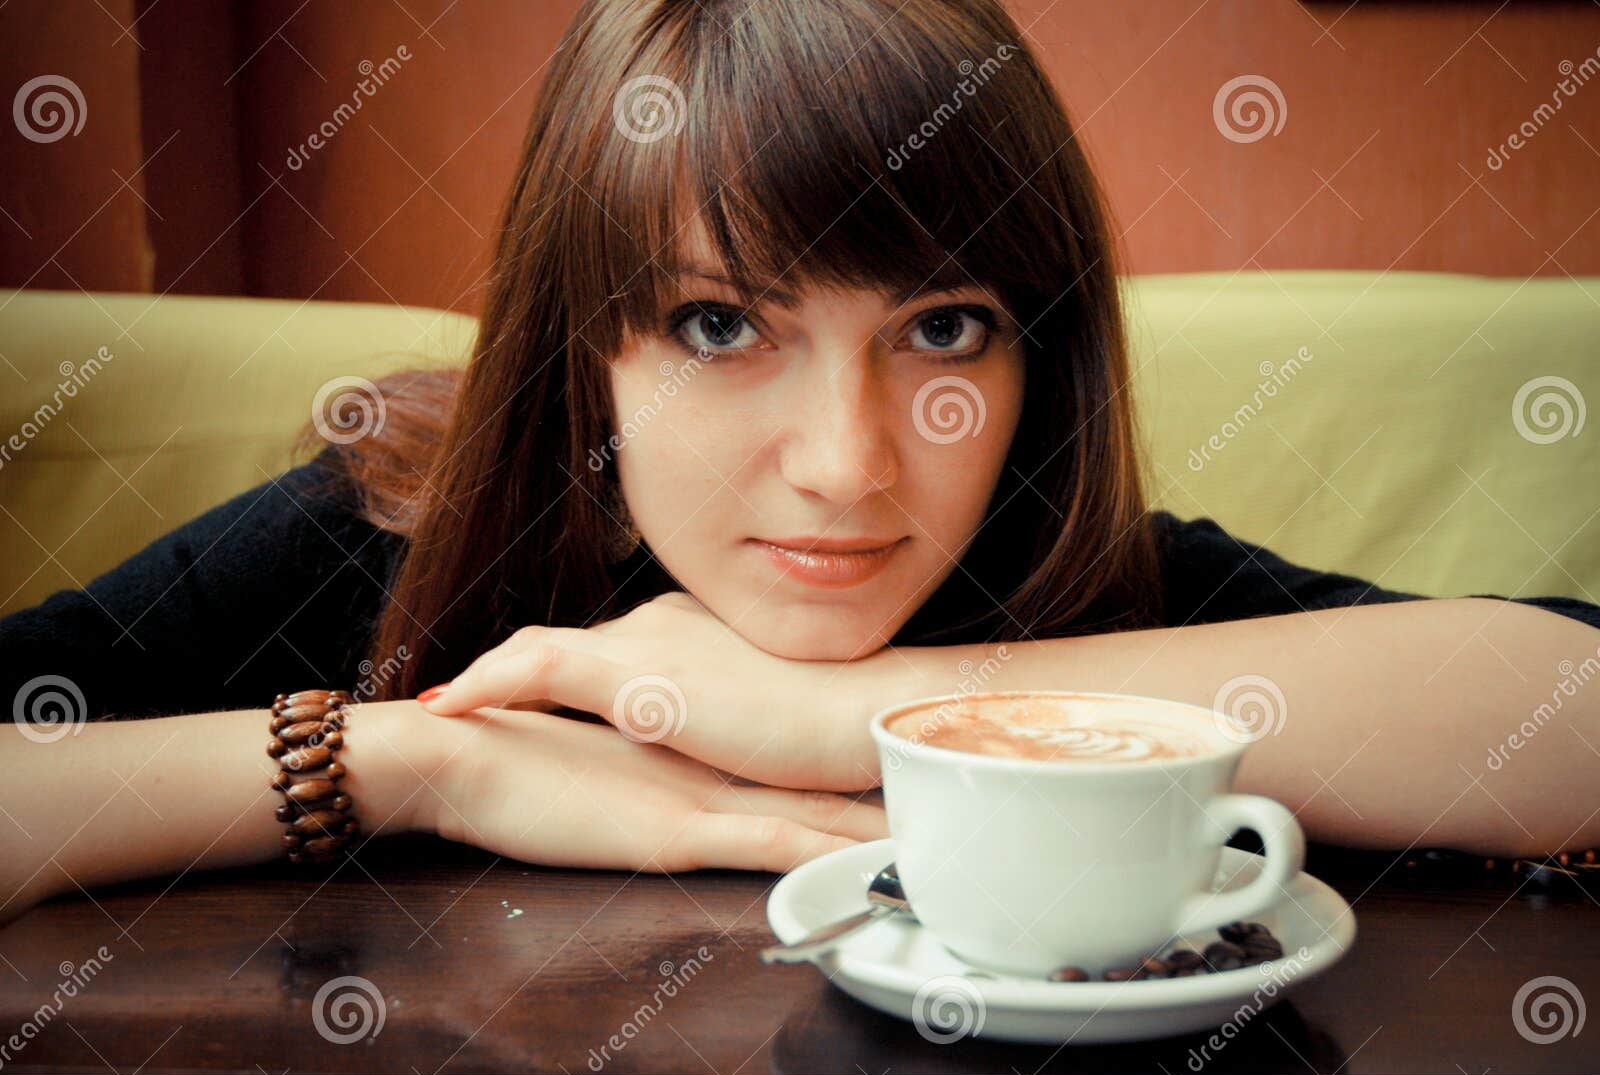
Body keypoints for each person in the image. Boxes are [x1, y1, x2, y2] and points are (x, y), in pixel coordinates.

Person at [3, 0, 1597, 926]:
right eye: (719, 325)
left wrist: (882, 714)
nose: (848, 465)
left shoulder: (1061, 573)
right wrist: (419, 763)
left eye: (945, 330)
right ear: (584, 345)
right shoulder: (387, 534)